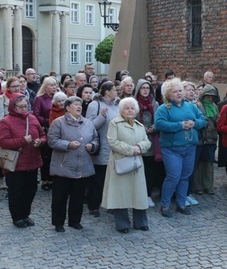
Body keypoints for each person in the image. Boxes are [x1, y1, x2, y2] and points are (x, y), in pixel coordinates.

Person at [154, 78, 206, 217]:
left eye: (180, 91)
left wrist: (194, 123)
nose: (178, 93)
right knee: (173, 176)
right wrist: (180, 125)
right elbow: (159, 124)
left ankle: (181, 204)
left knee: (185, 177)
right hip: (171, 149)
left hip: (190, 147)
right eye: (175, 91)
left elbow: (202, 120)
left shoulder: (190, 106)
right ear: (168, 94)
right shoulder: (163, 108)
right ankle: (165, 205)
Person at [47, 96, 99, 232]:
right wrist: (68, 144)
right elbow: (52, 141)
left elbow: (96, 139)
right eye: (75, 104)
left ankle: (75, 221)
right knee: (60, 197)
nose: (79, 107)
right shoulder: (58, 123)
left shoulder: (88, 123)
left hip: (83, 166)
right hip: (63, 166)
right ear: (68, 108)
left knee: (78, 196)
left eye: (80, 105)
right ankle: (58, 223)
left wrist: (92, 146)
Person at [102, 97, 152, 233]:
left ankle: (140, 222)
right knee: (120, 194)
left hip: (136, 164)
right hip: (121, 163)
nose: (130, 110)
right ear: (121, 110)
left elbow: (147, 142)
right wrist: (131, 150)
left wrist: (139, 147)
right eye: (127, 108)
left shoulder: (139, 125)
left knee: (139, 193)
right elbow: (112, 142)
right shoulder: (115, 124)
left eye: (132, 108)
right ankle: (122, 224)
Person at [0, 94, 46, 228]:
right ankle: (17, 217)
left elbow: (42, 135)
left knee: (31, 190)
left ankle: (25, 214)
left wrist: (39, 142)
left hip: (33, 161)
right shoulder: (6, 121)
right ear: (13, 107)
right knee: (16, 192)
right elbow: (2, 141)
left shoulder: (32, 118)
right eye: (21, 107)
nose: (24, 109)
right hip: (16, 164)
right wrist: (22, 141)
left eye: (26, 106)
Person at [86, 81, 119, 216]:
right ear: (107, 92)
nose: (117, 92)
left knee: (113, 179)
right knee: (98, 180)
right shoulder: (95, 105)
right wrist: (102, 116)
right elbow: (89, 126)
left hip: (115, 147)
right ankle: (94, 205)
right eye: (115, 90)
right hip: (102, 147)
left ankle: (111, 204)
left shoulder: (118, 104)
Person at [135, 79, 161, 206]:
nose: (145, 90)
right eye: (143, 88)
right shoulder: (134, 103)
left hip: (152, 140)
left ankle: (148, 194)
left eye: (147, 88)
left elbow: (159, 118)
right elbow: (132, 120)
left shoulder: (154, 103)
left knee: (150, 170)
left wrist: (154, 127)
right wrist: (142, 129)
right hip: (138, 140)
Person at [193, 84, 219, 198]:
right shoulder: (198, 106)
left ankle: (208, 186)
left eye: (211, 96)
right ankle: (198, 186)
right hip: (201, 138)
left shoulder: (214, 106)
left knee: (209, 163)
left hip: (211, 139)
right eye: (208, 96)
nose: (209, 98)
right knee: (200, 164)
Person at [32, 76, 58, 190]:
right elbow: (36, 115)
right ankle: (45, 179)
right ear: (45, 87)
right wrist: (50, 121)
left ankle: (54, 178)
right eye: (51, 85)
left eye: (55, 85)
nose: (54, 87)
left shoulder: (58, 98)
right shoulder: (40, 99)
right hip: (46, 128)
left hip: (58, 129)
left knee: (55, 155)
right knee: (46, 155)